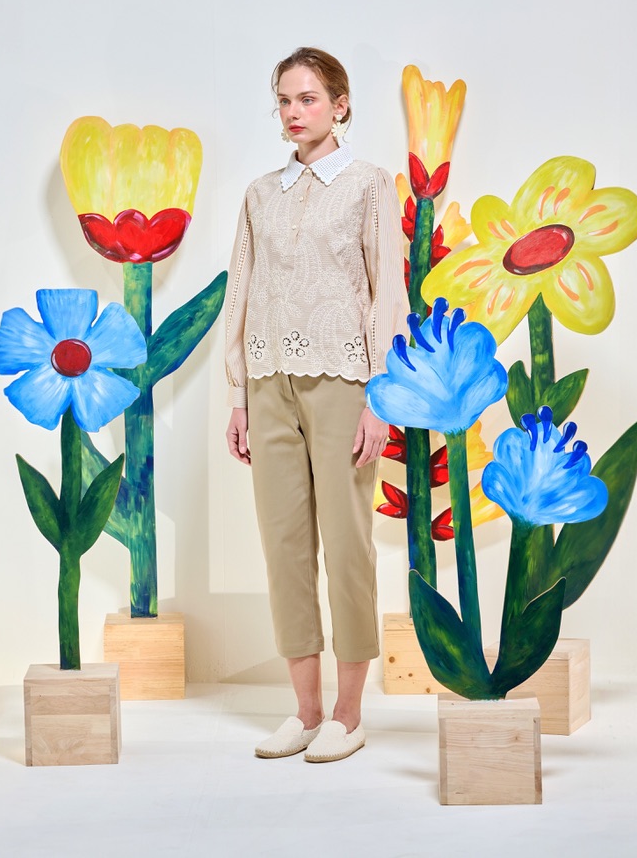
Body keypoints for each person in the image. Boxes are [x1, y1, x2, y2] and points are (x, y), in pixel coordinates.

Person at [224, 47, 408, 763]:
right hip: (268, 381)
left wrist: (379, 397)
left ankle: (348, 714)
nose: (294, 112)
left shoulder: (369, 185)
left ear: (340, 104)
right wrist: (239, 396)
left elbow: (388, 294)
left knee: (348, 545)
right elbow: (240, 293)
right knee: (284, 547)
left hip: (343, 382)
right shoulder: (258, 194)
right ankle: (303, 712)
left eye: (307, 98)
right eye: (284, 100)